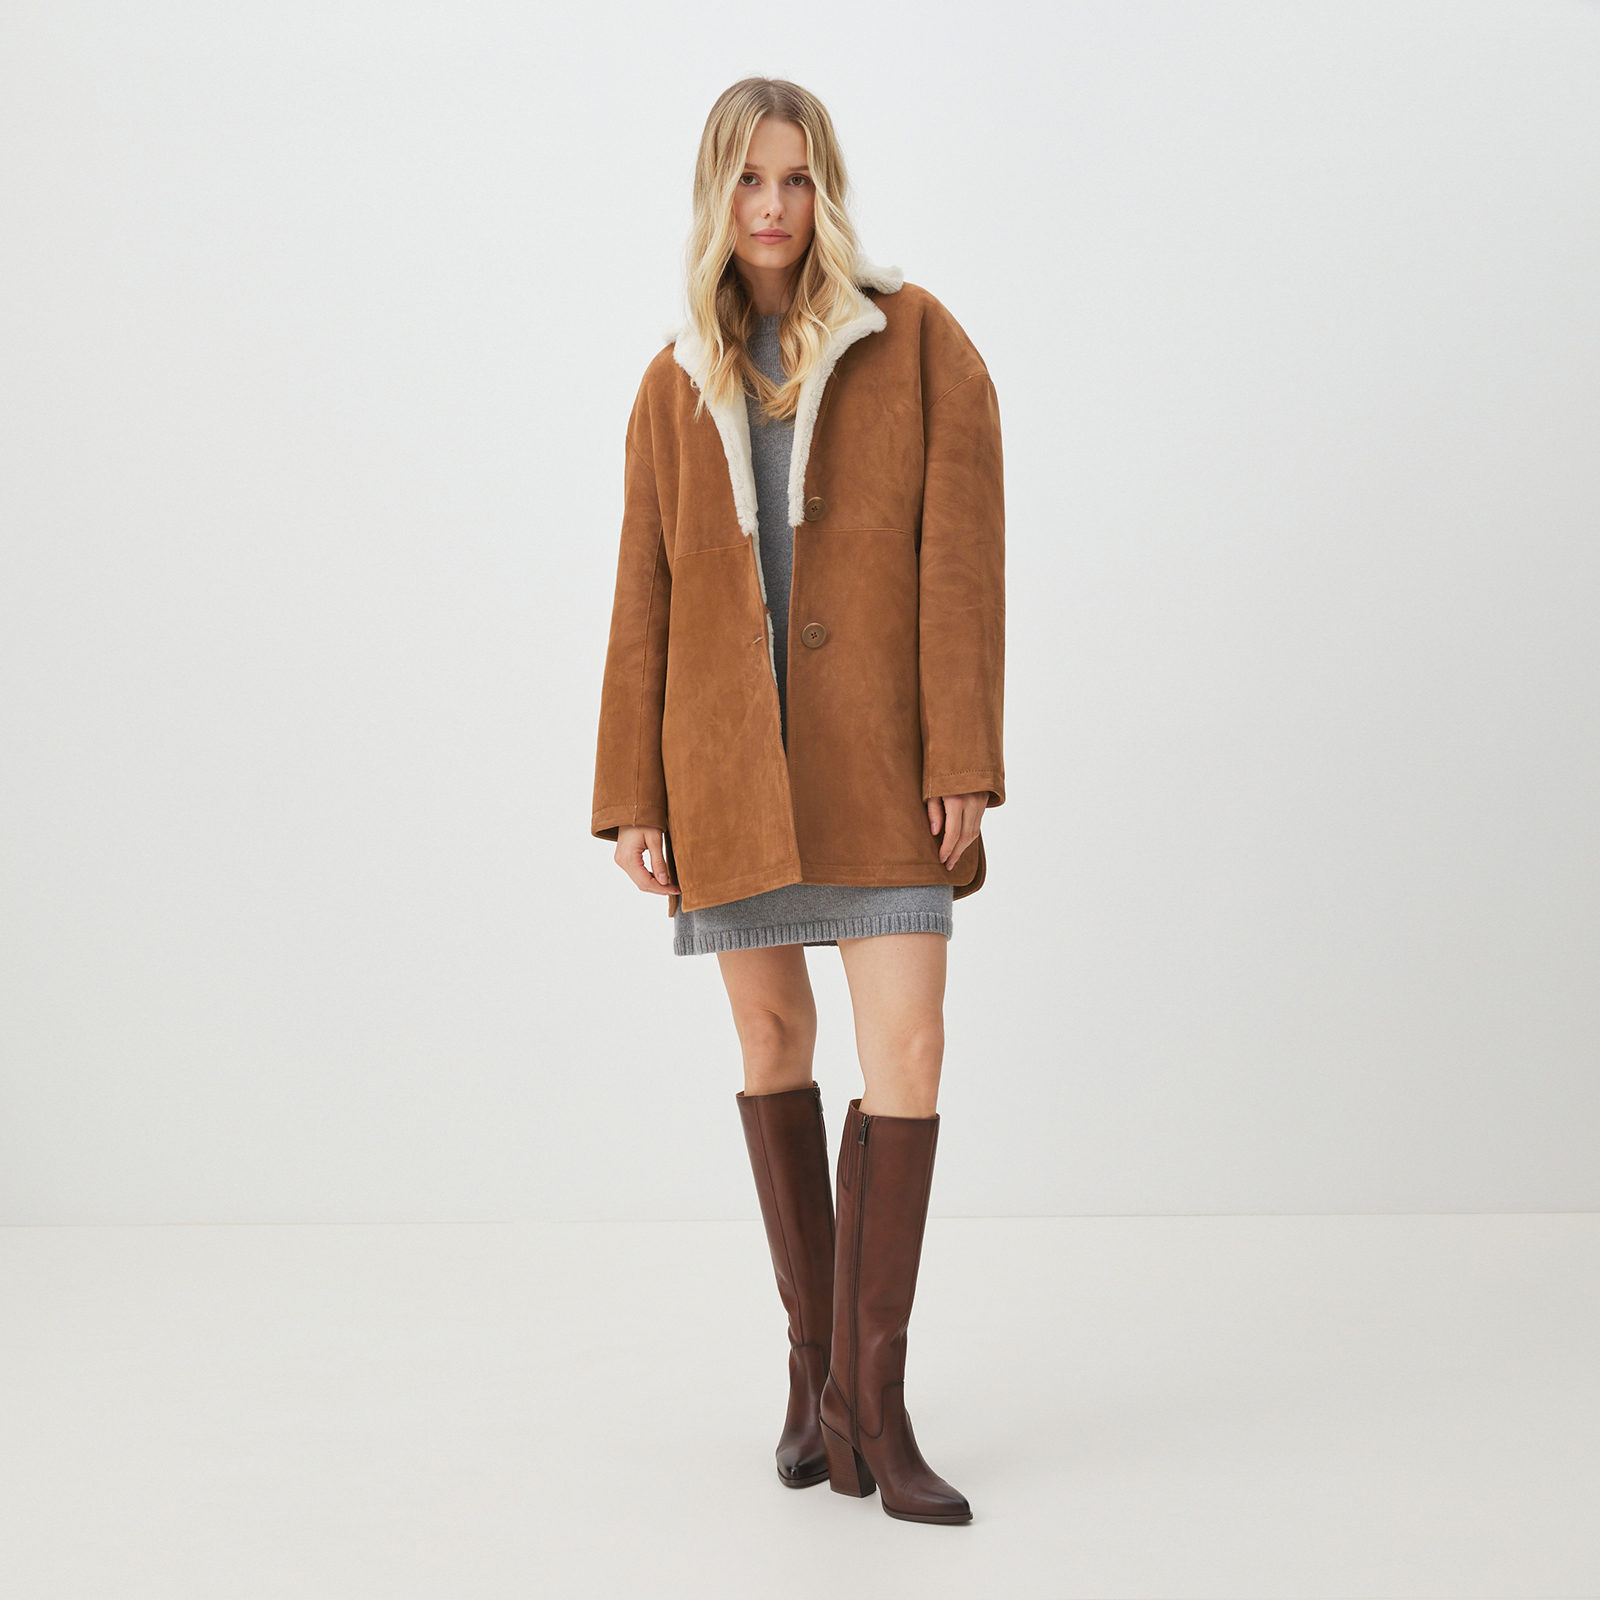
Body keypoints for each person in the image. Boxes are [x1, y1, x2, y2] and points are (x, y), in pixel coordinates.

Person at [590, 76, 1004, 1526]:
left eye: (797, 177)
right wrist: (633, 795)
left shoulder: (918, 341)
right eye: (749, 180)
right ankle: (814, 1371)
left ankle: (875, 1405)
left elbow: (962, 562)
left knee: (911, 1050)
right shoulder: (673, 380)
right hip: (730, 774)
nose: (773, 206)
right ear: (718, 196)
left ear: (827, 190)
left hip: (880, 762)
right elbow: (642, 595)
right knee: (774, 1041)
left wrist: (961, 757)